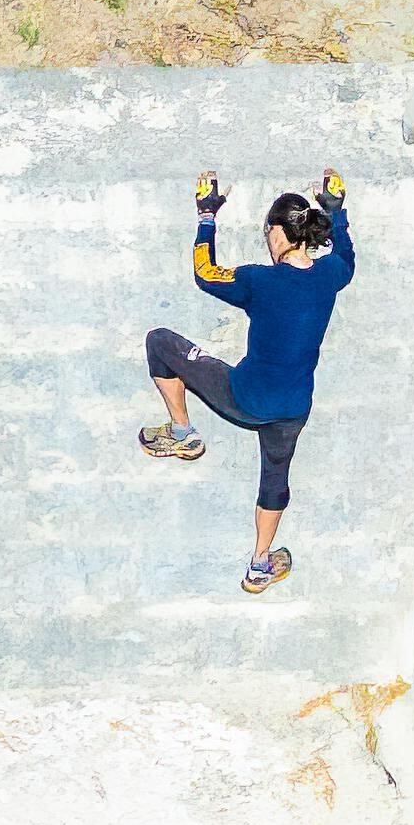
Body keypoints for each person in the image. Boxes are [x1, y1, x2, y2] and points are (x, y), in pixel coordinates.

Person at [143, 167, 354, 593]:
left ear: (279, 234)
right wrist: (336, 209)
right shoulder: (331, 274)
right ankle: (259, 566)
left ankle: (182, 433)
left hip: (245, 398)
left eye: (268, 232)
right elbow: (347, 255)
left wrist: (207, 215)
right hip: (294, 408)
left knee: (160, 342)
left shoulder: (259, 280)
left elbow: (205, 273)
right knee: (275, 479)